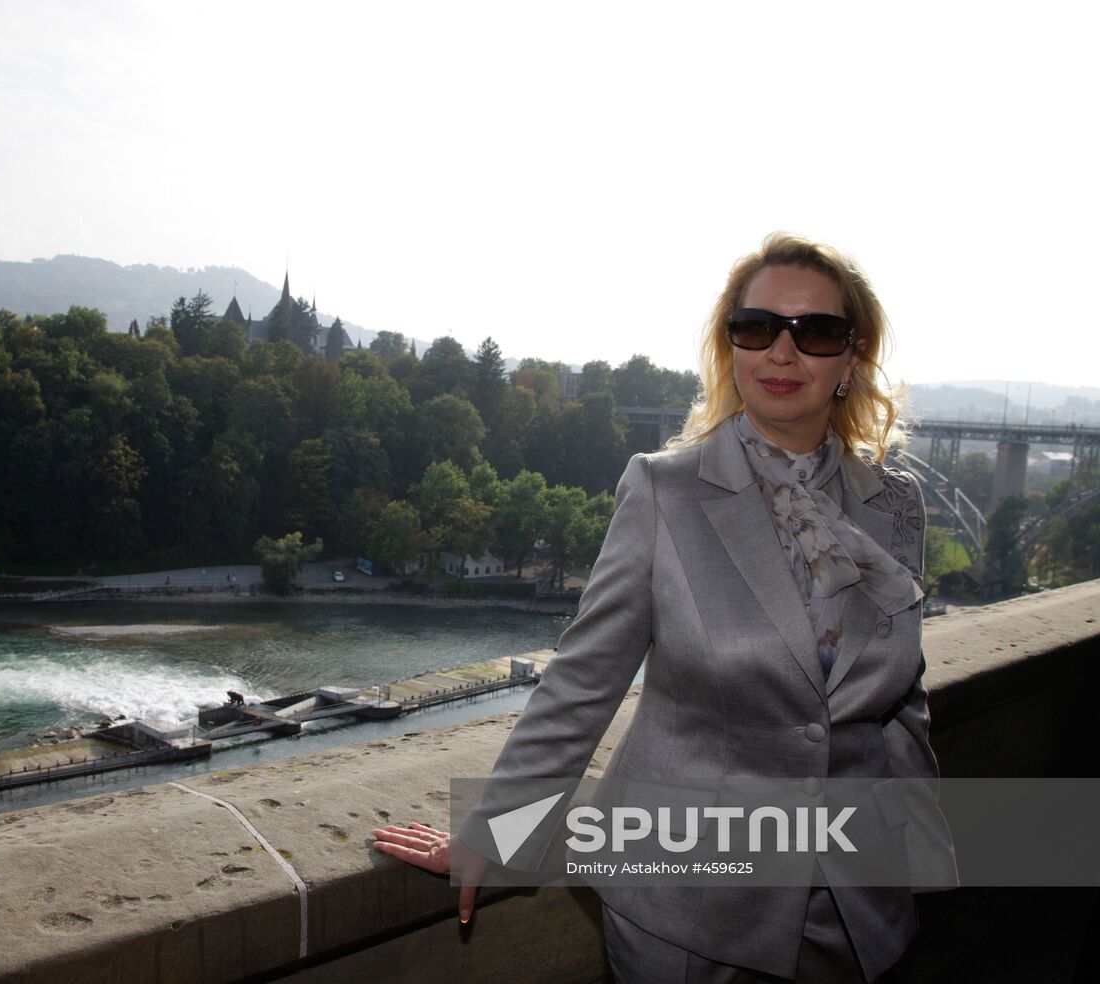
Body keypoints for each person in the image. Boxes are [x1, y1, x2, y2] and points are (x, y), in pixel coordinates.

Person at [372, 232, 954, 982]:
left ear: (852, 357)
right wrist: (497, 828)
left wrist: (923, 853)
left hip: (853, 902)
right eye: (756, 327)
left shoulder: (896, 506)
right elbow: (584, 679)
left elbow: (903, 699)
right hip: (688, 909)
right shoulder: (662, 491)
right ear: (729, 345)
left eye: (814, 332)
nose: (782, 353)